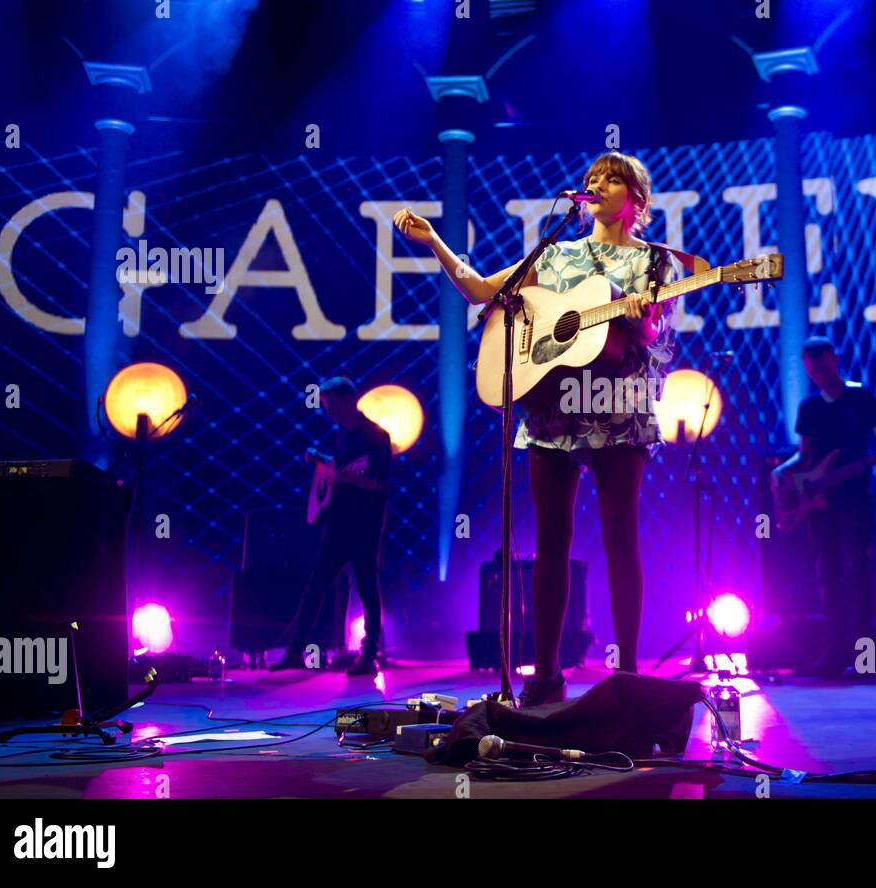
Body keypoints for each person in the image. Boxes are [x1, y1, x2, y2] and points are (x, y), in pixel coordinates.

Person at [395, 151, 681, 706]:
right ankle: (546, 675)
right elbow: (481, 291)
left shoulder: (654, 261)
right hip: (553, 409)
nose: (597, 183)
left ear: (636, 201)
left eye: (612, 178)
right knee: (551, 543)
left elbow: (649, 333)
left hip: (618, 407)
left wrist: (635, 310)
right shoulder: (553, 256)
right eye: (593, 177)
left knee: (620, 537)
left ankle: (627, 674)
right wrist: (434, 240)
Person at [771, 334, 876, 677]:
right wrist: (782, 472)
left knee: (858, 575)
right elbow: (805, 456)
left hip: (853, 497)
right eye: (812, 371)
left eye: (822, 368)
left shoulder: (860, 397)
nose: (819, 376)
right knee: (828, 576)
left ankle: (865, 656)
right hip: (820, 501)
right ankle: (835, 653)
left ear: (834, 360)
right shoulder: (810, 408)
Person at [272, 376, 392, 677]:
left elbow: (381, 484)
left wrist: (356, 480)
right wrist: (320, 459)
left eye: (331, 405)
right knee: (316, 586)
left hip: (364, 526)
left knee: (366, 588)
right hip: (338, 524)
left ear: (347, 402)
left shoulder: (377, 437)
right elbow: (340, 466)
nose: (328, 412)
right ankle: (295, 651)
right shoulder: (343, 437)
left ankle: (368, 655)